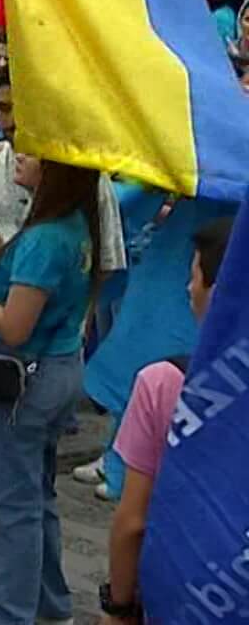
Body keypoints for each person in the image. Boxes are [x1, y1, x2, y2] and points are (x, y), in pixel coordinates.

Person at [0, 158, 102, 625]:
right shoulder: (74, 222)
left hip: (25, 381)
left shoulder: (44, 238)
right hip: (59, 368)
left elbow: (14, 326)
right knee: (37, 497)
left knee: (10, 506)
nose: (21, 156)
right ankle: (49, 606)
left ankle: (7, 615)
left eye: (33, 151)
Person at [99, 214, 231, 625]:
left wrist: (118, 606)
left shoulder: (163, 384)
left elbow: (133, 521)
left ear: (220, 292)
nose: (189, 288)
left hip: (181, 590)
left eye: (194, 275)